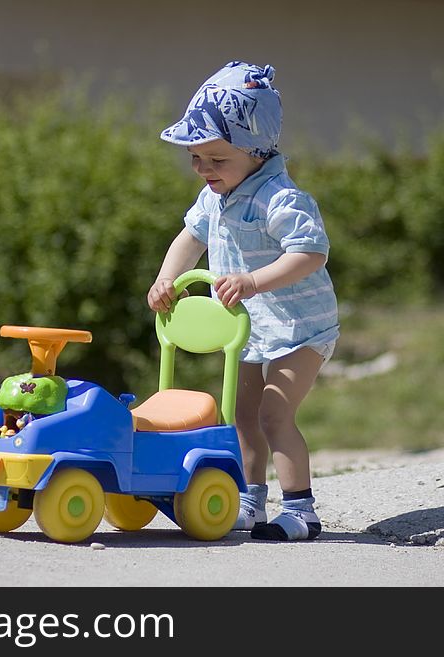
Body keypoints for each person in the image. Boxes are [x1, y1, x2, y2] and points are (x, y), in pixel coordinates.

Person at [148, 61, 339, 541]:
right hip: (251, 325)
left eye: (217, 158)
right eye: (196, 158)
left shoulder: (280, 197)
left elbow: (311, 253)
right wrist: (167, 278)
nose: (204, 169)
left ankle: (301, 511)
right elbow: (189, 238)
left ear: (255, 150)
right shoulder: (214, 197)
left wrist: (254, 280)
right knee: (241, 414)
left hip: (302, 326)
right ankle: (251, 499)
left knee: (275, 414)